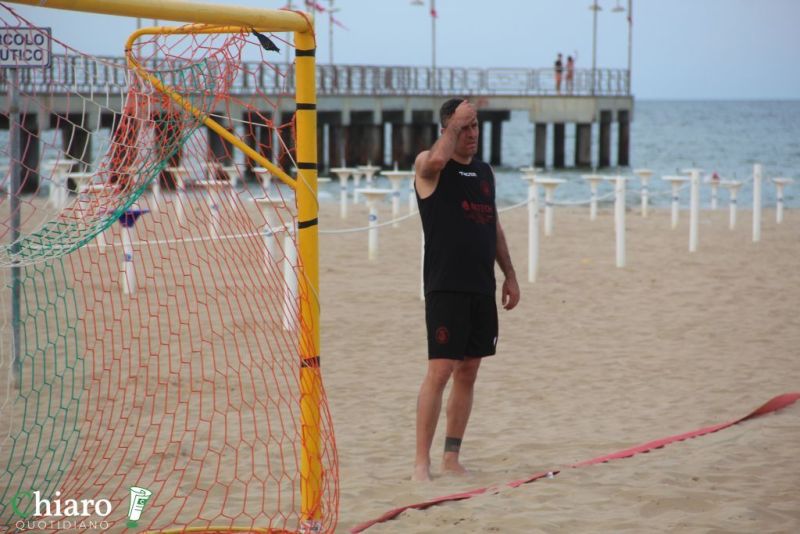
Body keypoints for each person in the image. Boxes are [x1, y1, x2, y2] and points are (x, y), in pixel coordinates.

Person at [412, 99, 520, 482]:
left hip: (480, 286)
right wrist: (453, 126)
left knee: (469, 371)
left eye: (475, 127)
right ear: (448, 128)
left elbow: (493, 227)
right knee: (440, 371)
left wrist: (509, 274)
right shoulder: (429, 166)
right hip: (446, 287)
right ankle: (421, 465)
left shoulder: (484, 173)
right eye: (465, 127)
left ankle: (451, 458)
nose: (473, 134)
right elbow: (434, 162)